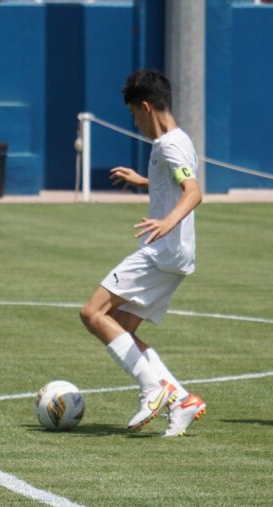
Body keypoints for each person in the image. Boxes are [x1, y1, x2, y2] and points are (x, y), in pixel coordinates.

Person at [79, 69, 206, 437]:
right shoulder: (177, 141)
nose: (135, 123)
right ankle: (182, 400)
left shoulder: (168, 144)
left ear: (147, 107)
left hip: (161, 252)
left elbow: (193, 192)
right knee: (119, 325)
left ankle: (154, 387)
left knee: (92, 313)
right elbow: (178, 181)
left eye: (135, 115)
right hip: (173, 255)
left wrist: (167, 222)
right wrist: (146, 182)